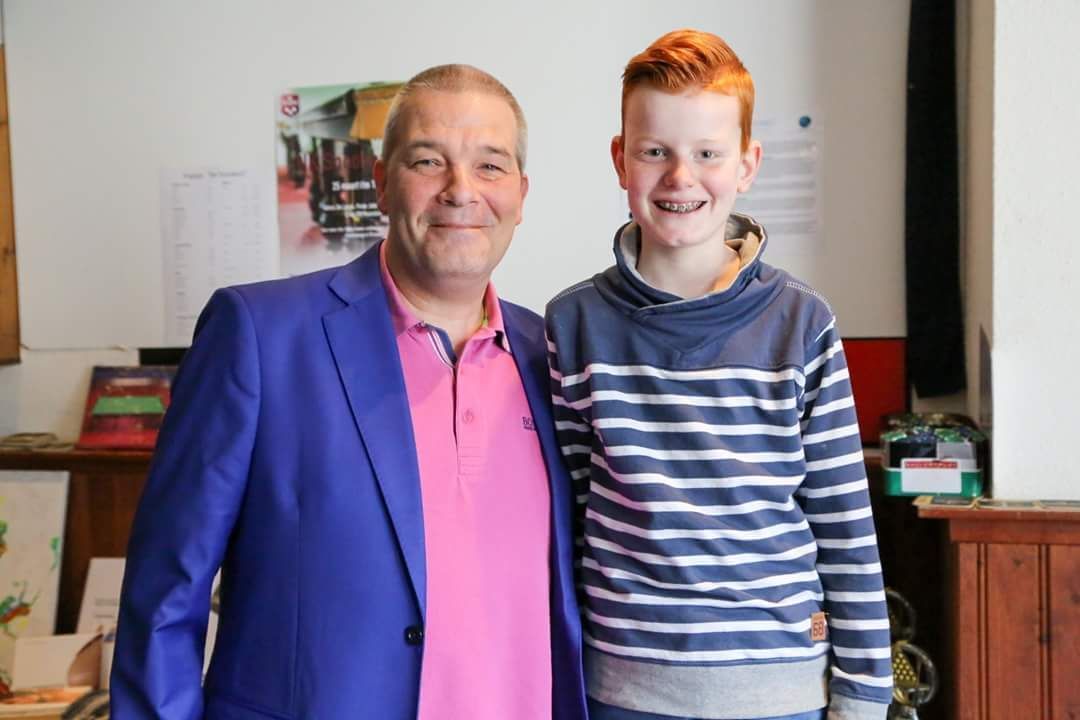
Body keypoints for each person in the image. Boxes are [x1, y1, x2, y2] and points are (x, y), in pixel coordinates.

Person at [112, 64, 587, 720]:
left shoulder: (557, 358)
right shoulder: (259, 338)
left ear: (521, 194)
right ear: (381, 182)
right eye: (428, 160)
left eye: (490, 166)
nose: (461, 191)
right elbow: (165, 597)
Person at [545, 30, 893, 720]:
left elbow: (845, 525)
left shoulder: (802, 324)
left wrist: (863, 694)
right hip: (620, 691)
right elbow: (573, 517)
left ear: (746, 165)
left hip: (779, 693)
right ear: (621, 160)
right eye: (655, 152)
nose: (680, 177)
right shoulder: (573, 324)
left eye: (708, 154)